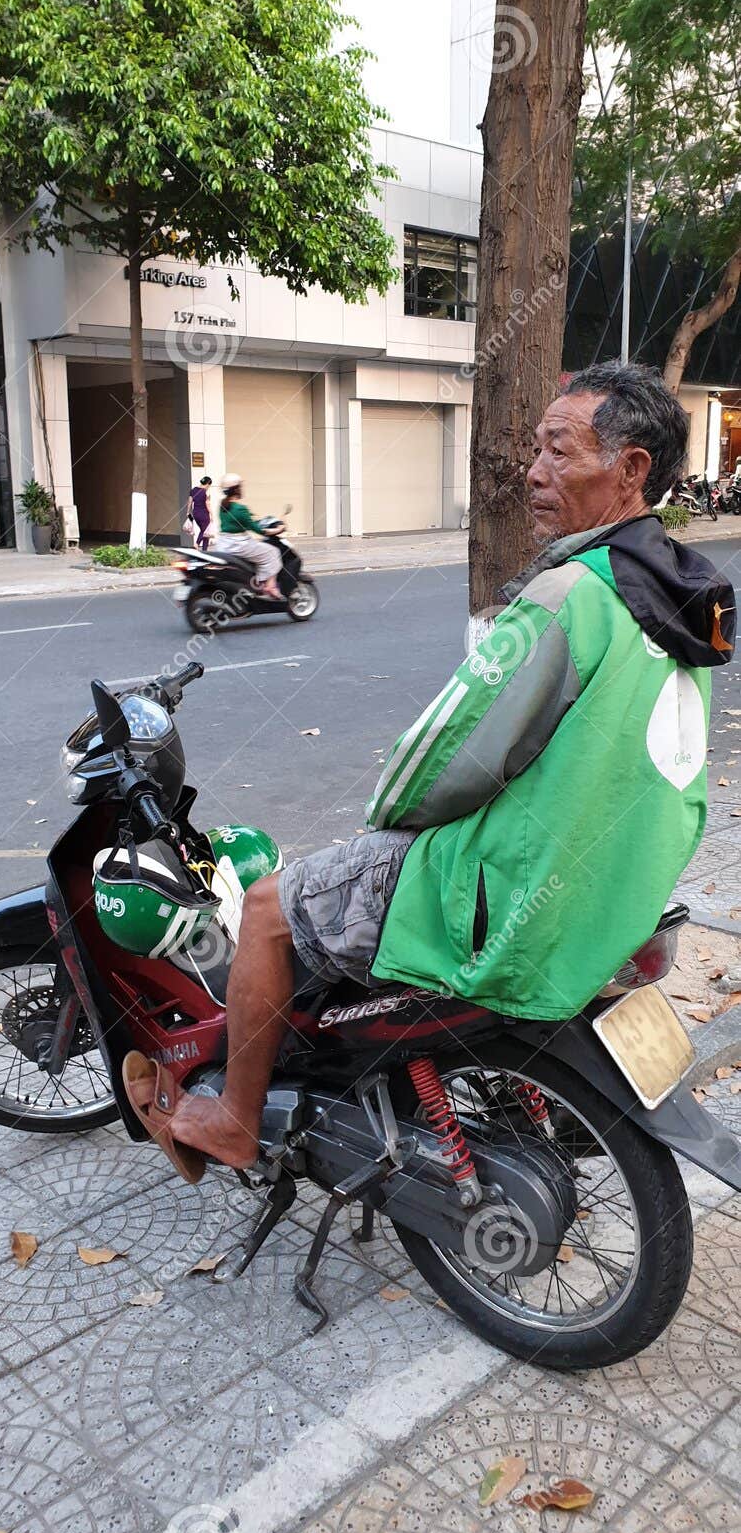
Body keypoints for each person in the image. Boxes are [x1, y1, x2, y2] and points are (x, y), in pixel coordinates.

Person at [123, 362, 736, 1175]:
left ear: (630, 471)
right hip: (616, 889)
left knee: (271, 910)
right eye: (537, 450)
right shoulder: (679, 602)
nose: (535, 471)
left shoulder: (569, 595)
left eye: (558, 450)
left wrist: (384, 821)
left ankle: (235, 1118)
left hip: (516, 890)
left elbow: (441, 757)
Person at [213, 473, 282, 601]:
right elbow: (258, 530)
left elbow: (242, 522)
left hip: (224, 544)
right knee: (273, 552)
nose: (242, 488)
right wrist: (278, 529)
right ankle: (268, 586)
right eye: (240, 486)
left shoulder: (223, 506)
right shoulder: (240, 509)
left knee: (260, 550)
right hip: (239, 544)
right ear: (236, 489)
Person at [185, 475, 213, 550]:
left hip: (196, 514)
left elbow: (189, 502)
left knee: (206, 533)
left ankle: (204, 552)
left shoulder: (193, 490)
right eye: (209, 486)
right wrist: (212, 514)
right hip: (204, 514)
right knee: (205, 531)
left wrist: (188, 512)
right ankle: (197, 544)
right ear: (207, 484)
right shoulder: (205, 492)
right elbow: (207, 505)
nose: (208, 487)